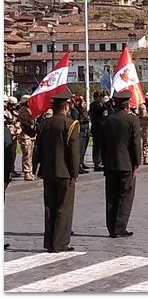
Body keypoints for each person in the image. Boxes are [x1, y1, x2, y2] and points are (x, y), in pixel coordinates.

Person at [36, 88, 80, 253]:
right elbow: (73, 153)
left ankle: (49, 242)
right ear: (67, 106)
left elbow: (37, 150)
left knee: (49, 207)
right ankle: (60, 243)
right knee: (64, 207)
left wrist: (37, 169)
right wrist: (74, 173)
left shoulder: (44, 124)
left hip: (48, 172)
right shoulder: (70, 125)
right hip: (65, 173)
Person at [101, 90, 141, 238]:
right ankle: (120, 227)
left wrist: (103, 161)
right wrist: (136, 162)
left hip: (110, 163)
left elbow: (102, 144)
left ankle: (111, 227)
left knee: (111, 196)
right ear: (127, 104)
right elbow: (135, 143)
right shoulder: (132, 120)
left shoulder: (108, 120)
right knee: (125, 196)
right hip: (126, 164)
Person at [18, 95, 37, 181]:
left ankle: (30, 172)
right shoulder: (23, 110)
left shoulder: (30, 109)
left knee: (31, 154)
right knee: (27, 154)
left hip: (31, 134)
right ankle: (27, 172)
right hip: (25, 134)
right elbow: (30, 120)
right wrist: (38, 114)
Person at [89, 91, 107, 171]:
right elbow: (99, 111)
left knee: (103, 146)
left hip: (103, 128)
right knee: (97, 146)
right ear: (95, 98)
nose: (100, 98)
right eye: (98, 97)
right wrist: (106, 104)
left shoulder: (102, 104)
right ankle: (96, 162)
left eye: (101, 97)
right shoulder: (93, 105)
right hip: (96, 128)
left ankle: (102, 161)